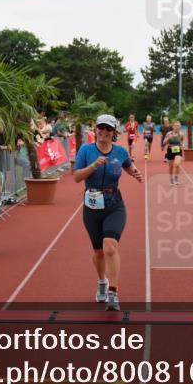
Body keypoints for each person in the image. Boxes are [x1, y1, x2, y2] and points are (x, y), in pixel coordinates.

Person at [73, 114, 143, 311]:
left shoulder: (120, 152)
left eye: (108, 129)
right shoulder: (86, 150)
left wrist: (135, 173)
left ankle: (113, 292)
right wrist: (94, 165)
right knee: (98, 252)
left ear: (114, 133)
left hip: (114, 205)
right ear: (95, 129)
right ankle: (102, 282)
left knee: (110, 246)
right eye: (101, 128)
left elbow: (128, 166)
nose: (104, 132)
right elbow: (77, 177)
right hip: (92, 206)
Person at [163, 120, 185, 185]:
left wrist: (182, 145)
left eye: (178, 126)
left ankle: (176, 177)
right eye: (175, 125)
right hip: (170, 150)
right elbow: (163, 143)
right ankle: (171, 179)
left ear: (180, 126)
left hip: (178, 150)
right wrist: (168, 139)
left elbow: (183, 142)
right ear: (173, 126)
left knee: (177, 164)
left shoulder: (181, 134)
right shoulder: (169, 134)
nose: (176, 127)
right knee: (171, 166)